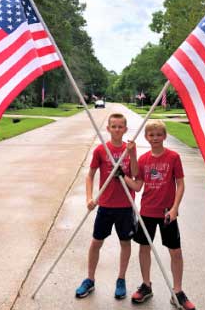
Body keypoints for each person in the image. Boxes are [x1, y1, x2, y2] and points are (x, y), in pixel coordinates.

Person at [124, 119, 196, 310]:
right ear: (146, 137)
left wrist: (174, 208)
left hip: (167, 213)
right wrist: (123, 177)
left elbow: (180, 183)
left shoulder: (173, 157)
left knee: (176, 252)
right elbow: (138, 186)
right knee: (144, 248)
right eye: (151, 135)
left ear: (164, 136)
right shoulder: (144, 159)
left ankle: (178, 292)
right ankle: (146, 285)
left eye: (158, 135)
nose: (155, 138)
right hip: (147, 211)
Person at [75, 113, 138, 300]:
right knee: (96, 243)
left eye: (120, 126)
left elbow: (135, 173)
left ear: (125, 129)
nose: (117, 129)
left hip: (125, 206)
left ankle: (121, 279)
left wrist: (133, 153)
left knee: (125, 243)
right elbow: (90, 175)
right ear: (108, 128)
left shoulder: (129, 149)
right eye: (114, 126)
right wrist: (89, 198)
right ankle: (90, 279)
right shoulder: (101, 150)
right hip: (105, 205)